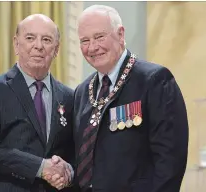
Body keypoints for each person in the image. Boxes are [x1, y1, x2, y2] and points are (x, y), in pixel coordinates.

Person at [73, 5, 189, 192]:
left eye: (99, 37)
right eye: (84, 40)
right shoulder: (82, 92)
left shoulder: (154, 80)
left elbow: (170, 160)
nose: (92, 47)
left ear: (120, 34)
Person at [0, 14, 75, 192]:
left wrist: (68, 172)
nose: (38, 46)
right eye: (30, 38)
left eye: (47, 40)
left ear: (56, 49)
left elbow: (76, 152)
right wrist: (40, 167)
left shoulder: (70, 97)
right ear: (16, 44)